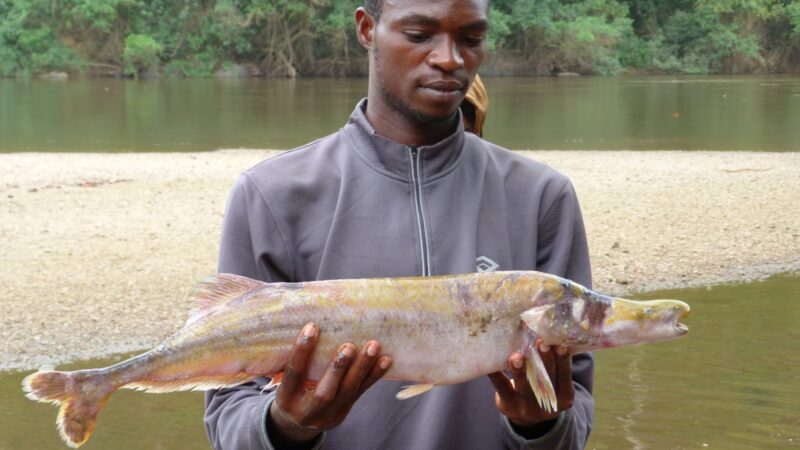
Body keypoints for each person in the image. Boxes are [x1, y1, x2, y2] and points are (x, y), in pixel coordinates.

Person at [205, 0, 594, 448]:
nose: (450, 58)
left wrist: (540, 426)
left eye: (470, 38)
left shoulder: (542, 197)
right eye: (419, 35)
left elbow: (575, 411)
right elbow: (228, 416)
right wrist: (285, 426)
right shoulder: (271, 195)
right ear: (367, 28)